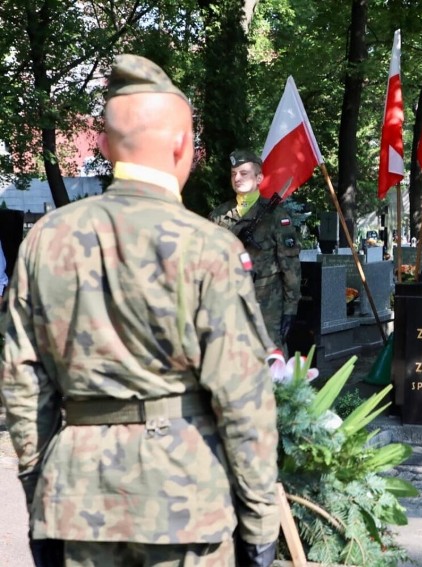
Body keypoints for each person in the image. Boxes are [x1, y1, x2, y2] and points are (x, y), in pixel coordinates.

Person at [0, 54, 280, 566]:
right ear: (182, 145)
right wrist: (261, 525)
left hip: (78, 500)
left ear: (104, 146)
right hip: (185, 504)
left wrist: (42, 493)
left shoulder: (46, 239)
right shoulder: (207, 247)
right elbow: (243, 399)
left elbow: (22, 382)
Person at [209, 150, 301, 352]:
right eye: (233, 174)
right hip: (228, 302)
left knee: (271, 363)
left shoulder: (276, 216)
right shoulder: (219, 215)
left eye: (244, 173)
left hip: (267, 303)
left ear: (259, 178)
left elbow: (290, 266)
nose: (237, 178)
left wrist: (291, 309)